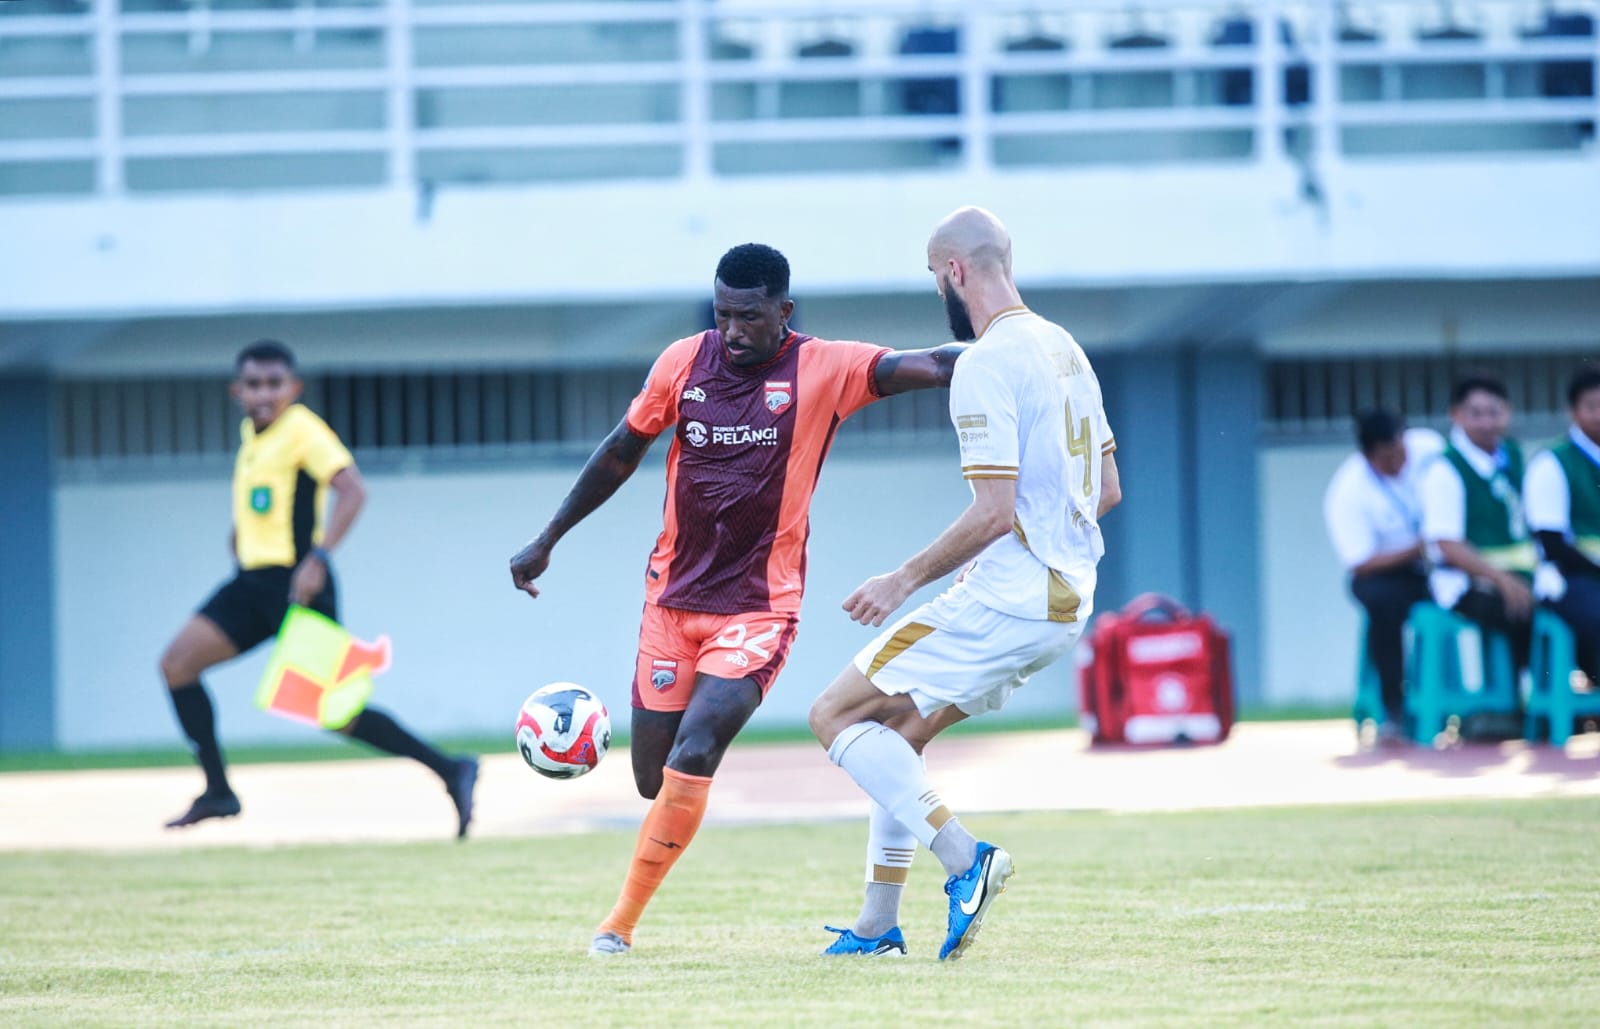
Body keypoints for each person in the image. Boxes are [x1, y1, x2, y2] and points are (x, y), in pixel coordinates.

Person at [507, 243, 966, 957]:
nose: (733, 330)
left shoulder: (825, 367)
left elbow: (931, 365)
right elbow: (620, 450)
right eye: (722, 314)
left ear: (783, 310)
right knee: (653, 779)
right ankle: (638, 877)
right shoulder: (684, 362)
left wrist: (1010, 349)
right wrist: (548, 536)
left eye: (749, 316)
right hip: (671, 602)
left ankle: (616, 926)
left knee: (698, 747)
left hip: (758, 609)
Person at [808, 206, 1121, 961]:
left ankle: (966, 858)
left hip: (1018, 592)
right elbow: (1106, 486)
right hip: (1064, 596)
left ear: (954, 271)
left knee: (835, 713)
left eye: (931, 274)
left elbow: (992, 511)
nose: (935, 290)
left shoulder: (985, 361)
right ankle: (879, 925)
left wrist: (901, 579)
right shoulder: (1064, 345)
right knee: (897, 739)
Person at [159, 340, 479, 835]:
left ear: (294, 388)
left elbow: (353, 489)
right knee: (177, 665)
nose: (263, 394)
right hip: (251, 584)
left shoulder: (301, 429)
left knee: (337, 711)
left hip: (297, 587)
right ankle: (219, 792)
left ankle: (451, 769)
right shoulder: (252, 434)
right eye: (253, 384)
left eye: (274, 383)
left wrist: (320, 557)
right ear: (236, 391)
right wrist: (242, 534)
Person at [1322, 409, 1444, 742]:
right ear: (1367, 456)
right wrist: (1418, 549)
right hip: (1391, 571)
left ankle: (1499, 707)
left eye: (1400, 452)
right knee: (1381, 604)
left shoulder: (1431, 449)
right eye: (1385, 458)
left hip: (1444, 563)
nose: (1397, 464)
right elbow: (1360, 562)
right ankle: (1394, 706)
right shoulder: (1348, 491)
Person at [1417, 374, 1536, 678]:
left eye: (1494, 412)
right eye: (1476, 413)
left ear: (1507, 412)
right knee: (1520, 611)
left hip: (1519, 574)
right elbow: (1447, 544)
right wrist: (1500, 579)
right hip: (1465, 583)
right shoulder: (1445, 469)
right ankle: (1515, 703)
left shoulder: (1510, 455)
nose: (1487, 422)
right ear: (1456, 415)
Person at [1524, 364, 1600, 683]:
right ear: (1573, 412)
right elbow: (1553, 544)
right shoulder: (1552, 462)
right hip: (1570, 576)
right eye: (1592, 406)